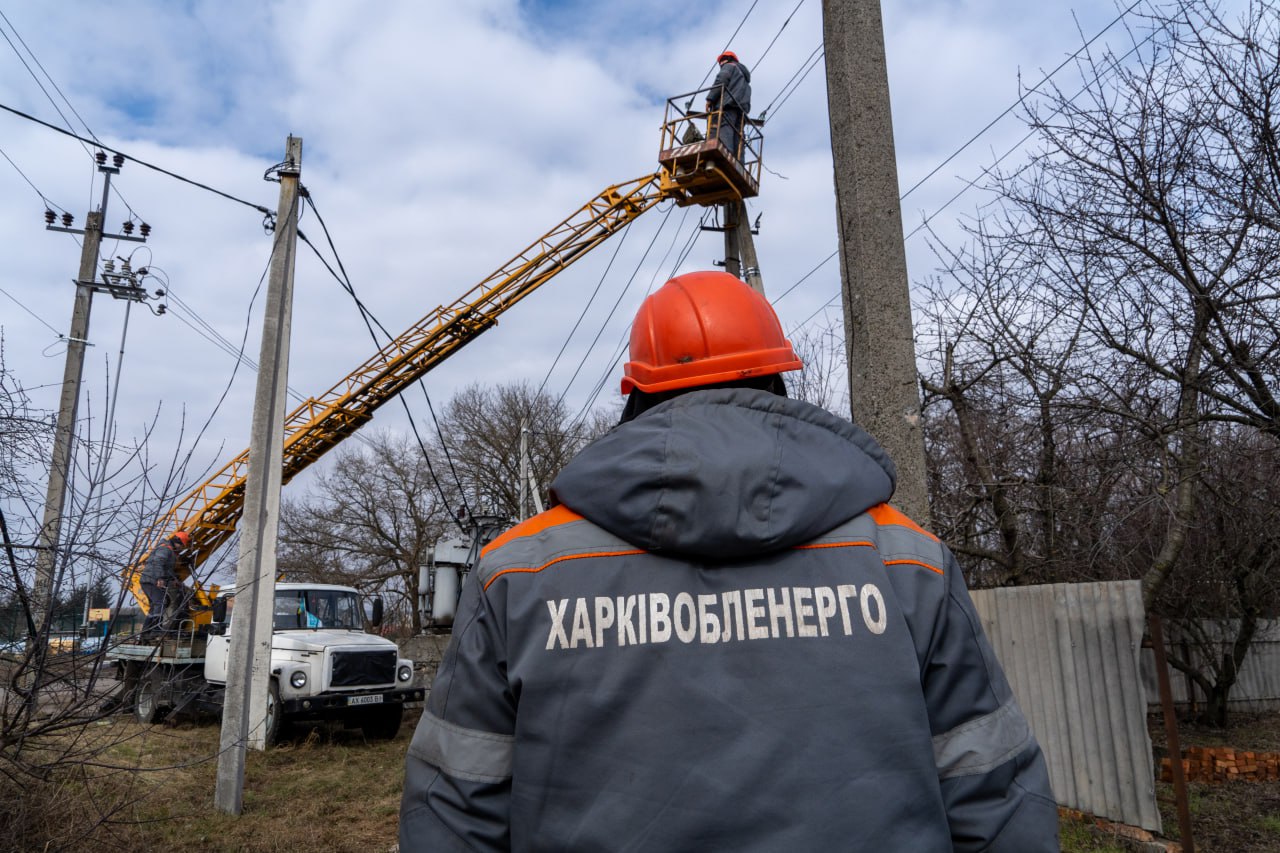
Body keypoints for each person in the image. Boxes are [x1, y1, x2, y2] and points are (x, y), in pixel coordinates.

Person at [400, 271, 1059, 852]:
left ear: (636, 395)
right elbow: (994, 792)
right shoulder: (909, 562)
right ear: (777, 381)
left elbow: (455, 808)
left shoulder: (519, 574)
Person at [139, 530, 188, 635]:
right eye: (182, 546)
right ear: (177, 541)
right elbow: (158, 562)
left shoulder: (168, 550)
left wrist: (174, 580)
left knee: (155, 605)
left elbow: (167, 569)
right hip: (150, 580)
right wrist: (160, 578)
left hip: (149, 580)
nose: (181, 548)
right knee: (161, 602)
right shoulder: (165, 549)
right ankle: (156, 629)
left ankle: (146, 631)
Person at [706, 49, 751, 160]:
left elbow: (721, 81)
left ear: (730, 59)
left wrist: (710, 99)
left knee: (723, 128)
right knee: (738, 136)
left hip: (727, 106)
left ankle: (725, 156)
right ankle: (738, 162)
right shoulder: (746, 82)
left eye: (723, 59)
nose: (721, 63)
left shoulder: (729, 67)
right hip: (741, 112)